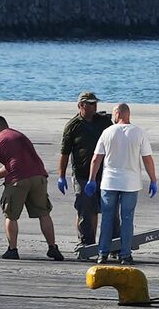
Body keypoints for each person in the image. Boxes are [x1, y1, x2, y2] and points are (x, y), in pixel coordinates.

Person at [0, 116, 64, 261]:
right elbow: (14, 163)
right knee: (44, 213)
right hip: (39, 177)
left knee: (11, 215)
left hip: (17, 181)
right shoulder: (20, 136)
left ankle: (12, 250)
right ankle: (53, 248)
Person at [84, 103, 157, 265]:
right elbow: (147, 159)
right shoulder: (139, 132)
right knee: (127, 218)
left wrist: (91, 179)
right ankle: (125, 255)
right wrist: (153, 179)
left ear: (118, 114)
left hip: (109, 182)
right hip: (130, 183)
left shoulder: (107, 132)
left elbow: (96, 158)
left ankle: (102, 254)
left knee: (107, 218)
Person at [58, 91, 118, 251]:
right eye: (90, 103)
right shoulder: (72, 126)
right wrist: (61, 176)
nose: (94, 106)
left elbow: (116, 138)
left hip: (104, 174)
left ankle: (114, 245)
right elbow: (65, 153)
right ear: (81, 105)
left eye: (95, 103)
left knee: (108, 209)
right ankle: (86, 243)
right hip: (82, 175)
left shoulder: (104, 122)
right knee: (85, 208)